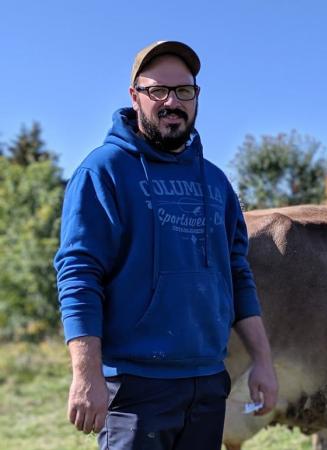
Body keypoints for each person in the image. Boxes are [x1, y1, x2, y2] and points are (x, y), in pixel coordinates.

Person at [54, 40, 278, 450]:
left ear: (196, 98)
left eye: (184, 91)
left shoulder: (216, 183)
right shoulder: (103, 172)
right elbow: (79, 275)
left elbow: (239, 276)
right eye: (158, 91)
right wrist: (86, 374)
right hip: (135, 388)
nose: (172, 102)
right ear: (135, 96)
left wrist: (262, 361)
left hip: (208, 383)